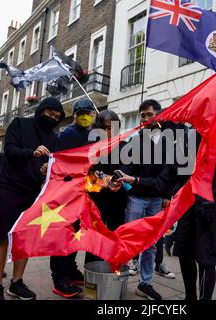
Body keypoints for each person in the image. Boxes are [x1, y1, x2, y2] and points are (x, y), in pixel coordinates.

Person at [172, 63, 216, 300]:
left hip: (211, 204)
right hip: (188, 203)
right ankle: (190, 297)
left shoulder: (213, 130)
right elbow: (175, 172)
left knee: (206, 256)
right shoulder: (183, 138)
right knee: (185, 253)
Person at [0, 97, 65, 300]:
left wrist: (46, 169)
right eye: (50, 113)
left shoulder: (54, 138)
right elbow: (10, 152)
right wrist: (32, 153)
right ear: (40, 111)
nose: (53, 118)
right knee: (1, 237)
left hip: (34, 192)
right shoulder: (19, 124)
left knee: (25, 239)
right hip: (10, 188)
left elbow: (50, 167)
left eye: (57, 117)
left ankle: (17, 283)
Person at [118, 99, 177, 300]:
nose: (144, 118)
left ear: (158, 115)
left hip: (156, 199)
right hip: (136, 198)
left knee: (151, 243)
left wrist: (167, 195)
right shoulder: (135, 141)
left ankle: (145, 283)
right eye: (142, 115)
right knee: (128, 239)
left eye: (148, 114)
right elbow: (126, 170)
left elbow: (169, 175)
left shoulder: (168, 142)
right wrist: (124, 182)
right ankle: (118, 280)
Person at [49, 98, 97, 299]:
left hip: (86, 191)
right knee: (64, 235)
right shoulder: (68, 134)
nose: (85, 116)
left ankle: (70, 269)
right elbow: (63, 162)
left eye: (89, 112)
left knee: (76, 235)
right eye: (81, 113)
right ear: (75, 115)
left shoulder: (95, 135)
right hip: (68, 191)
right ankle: (60, 279)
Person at [84, 110, 127, 265]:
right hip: (97, 201)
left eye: (112, 128)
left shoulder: (125, 147)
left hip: (118, 201)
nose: (109, 132)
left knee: (115, 236)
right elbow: (87, 175)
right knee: (95, 238)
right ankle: (92, 271)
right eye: (105, 128)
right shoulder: (92, 148)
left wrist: (120, 183)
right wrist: (107, 182)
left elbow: (128, 171)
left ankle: (114, 267)